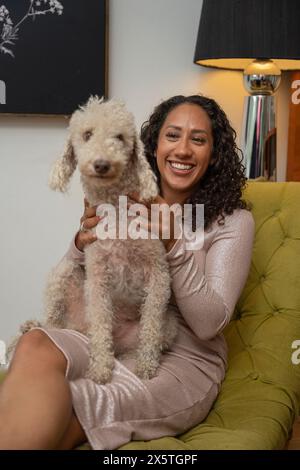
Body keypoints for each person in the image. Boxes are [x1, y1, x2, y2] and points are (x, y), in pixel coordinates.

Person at [0, 95, 255, 450]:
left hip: (184, 358)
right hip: (111, 332)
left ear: (214, 155)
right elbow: (82, 281)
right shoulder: (122, 198)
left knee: (77, 397)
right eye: (172, 135)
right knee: (35, 344)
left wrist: (173, 244)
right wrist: (80, 242)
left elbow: (209, 324)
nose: (182, 149)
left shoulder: (233, 222)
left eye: (198, 140)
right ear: (151, 146)